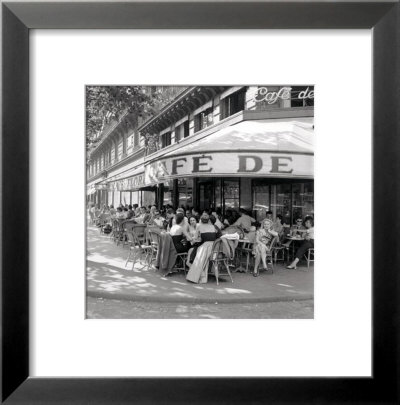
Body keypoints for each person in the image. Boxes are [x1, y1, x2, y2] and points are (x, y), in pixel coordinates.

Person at [186, 213, 219, 284]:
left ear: (201, 220)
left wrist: (190, 238)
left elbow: (195, 238)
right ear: (208, 220)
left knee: (198, 257)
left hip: (206, 247)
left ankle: (198, 276)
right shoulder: (213, 226)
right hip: (214, 248)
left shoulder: (199, 226)